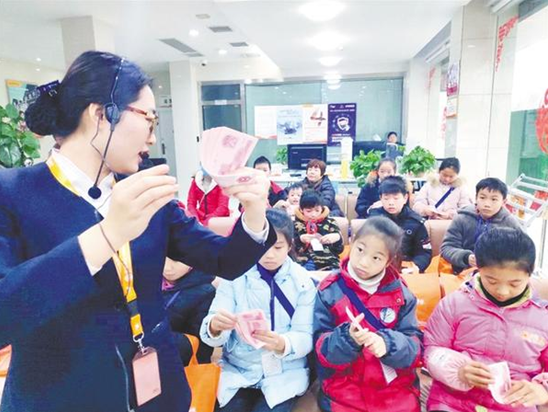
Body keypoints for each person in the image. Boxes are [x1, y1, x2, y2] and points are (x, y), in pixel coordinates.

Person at [0, 51, 277, 412]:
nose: (153, 136)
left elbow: (225, 260)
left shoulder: (144, 189)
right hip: (62, 395)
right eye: (148, 119)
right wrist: (107, 234)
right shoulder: (13, 193)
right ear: (101, 114)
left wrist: (254, 212)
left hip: (158, 390)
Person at [200, 209, 316, 412]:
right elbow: (213, 326)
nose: (269, 255)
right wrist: (214, 327)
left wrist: (283, 344)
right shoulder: (234, 276)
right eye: (262, 247)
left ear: (289, 245)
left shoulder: (303, 282)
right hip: (238, 369)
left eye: (278, 247)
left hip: (285, 373)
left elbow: (305, 335)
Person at [424, 228, 548, 412]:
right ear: (478, 268)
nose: (502, 291)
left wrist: (542, 390)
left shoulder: (543, 317)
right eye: (491, 281)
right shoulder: (455, 304)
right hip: (452, 401)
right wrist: (457, 370)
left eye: (514, 283)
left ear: (530, 274)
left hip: (514, 405)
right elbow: (431, 349)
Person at [314, 216, 423, 412]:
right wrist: (347, 339)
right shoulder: (329, 290)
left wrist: (388, 345)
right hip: (343, 389)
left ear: (388, 261)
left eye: (376, 258)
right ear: (352, 242)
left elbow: (415, 347)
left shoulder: (401, 295)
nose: (363, 262)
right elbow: (320, 347)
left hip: (393, 390)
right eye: (360, 250)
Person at [441, 177, 522, 275]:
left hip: (497, 276)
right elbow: (447, 247)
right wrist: (466, 257)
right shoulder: (462, 217)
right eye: (482, 198)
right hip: (460, 274)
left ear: (503, 202)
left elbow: (522, 252)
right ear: (476, 198)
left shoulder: (510, 223)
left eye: (494, 199)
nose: (487, 204)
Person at [369, 176, 432, 272]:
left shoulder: (416, 222)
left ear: (405, 198)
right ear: (380, 198)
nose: (391, 203)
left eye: (396, 198)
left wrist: (416, 266)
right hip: (378, 266)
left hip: (406, 267)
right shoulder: (373, 219)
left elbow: (424, 252)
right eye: (386, 198)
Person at [162, 257, 216, 365]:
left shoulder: (205, 293)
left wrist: (156, 336)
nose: (167, 267)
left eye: (177, 260)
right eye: (162, 257)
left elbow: (201, 351)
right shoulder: (140, 279)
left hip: (171, 366)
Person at [294, 190, 344, 271]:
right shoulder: (296, 224)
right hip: (304, 261)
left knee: (336, 274)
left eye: (317, 210)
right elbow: (289, 248)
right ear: (301, 210)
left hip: (329, 260)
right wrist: (300, 239)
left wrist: (337, 238)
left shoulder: (330, 222)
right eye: (309, 211)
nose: (313, 214)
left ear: (322, 209)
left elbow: (339, 250)